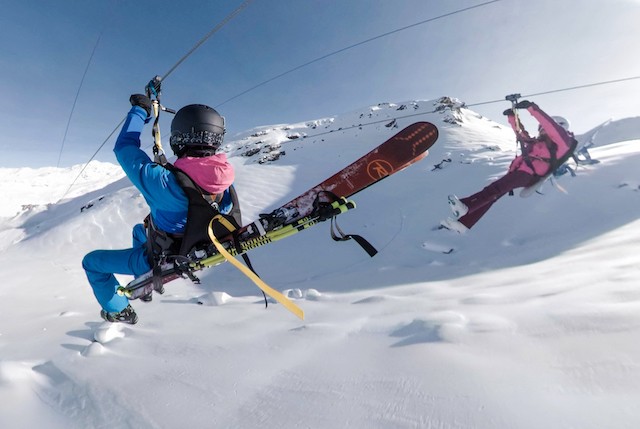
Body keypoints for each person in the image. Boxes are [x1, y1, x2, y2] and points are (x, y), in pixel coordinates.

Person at [82, 93, 235, 324]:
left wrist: (140, 111)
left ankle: (119, 311)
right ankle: (142, 285)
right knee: (138, 229)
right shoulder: (225, 180)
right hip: (199, 242)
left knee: (91, 262)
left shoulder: (161, 181)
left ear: (178, 138)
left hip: (162, 257)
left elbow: (124, 147)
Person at [441, 100, 574, 234]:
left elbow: (551, 126)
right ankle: (463, 224)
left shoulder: (563, 143)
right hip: (522, 172)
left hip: (528, 174)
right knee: (493, 195)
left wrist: (532, 109)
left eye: (543, 128)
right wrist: (512, 117)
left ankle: (467, 206)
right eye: (541, 128)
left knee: (494, 189)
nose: (542, 130)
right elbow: (520, 133)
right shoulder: (536, 143)